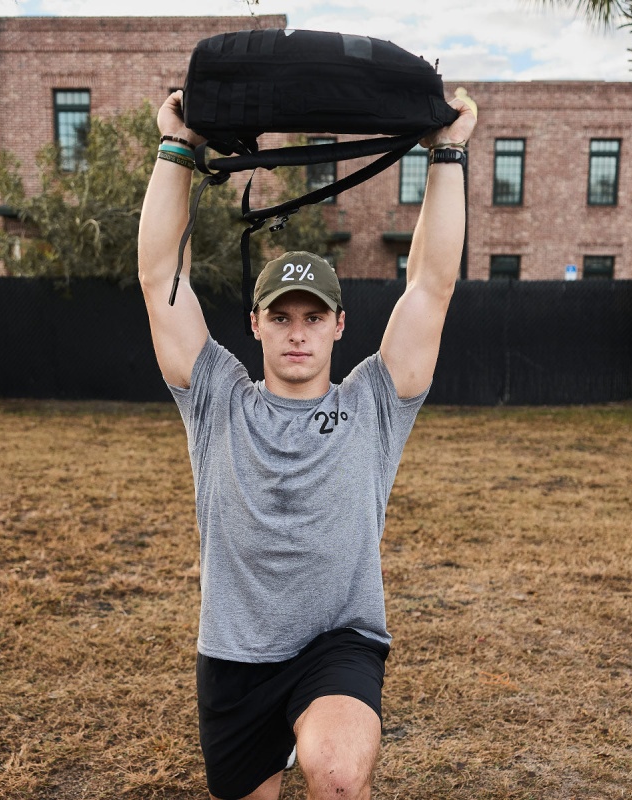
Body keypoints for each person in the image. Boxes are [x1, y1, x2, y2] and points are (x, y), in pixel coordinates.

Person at [138, 89, 476, 800]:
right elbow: (156, 275)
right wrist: (177, 147)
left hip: (337, 643)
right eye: (281, 316)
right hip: (234, 657)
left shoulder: (373, 403)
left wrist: (448, 154)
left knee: (339, 773)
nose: (298, 331)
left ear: (338, 327)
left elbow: (431, 287)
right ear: (256, 325)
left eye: (313, 317)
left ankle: (316, 738)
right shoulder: (216, 398)